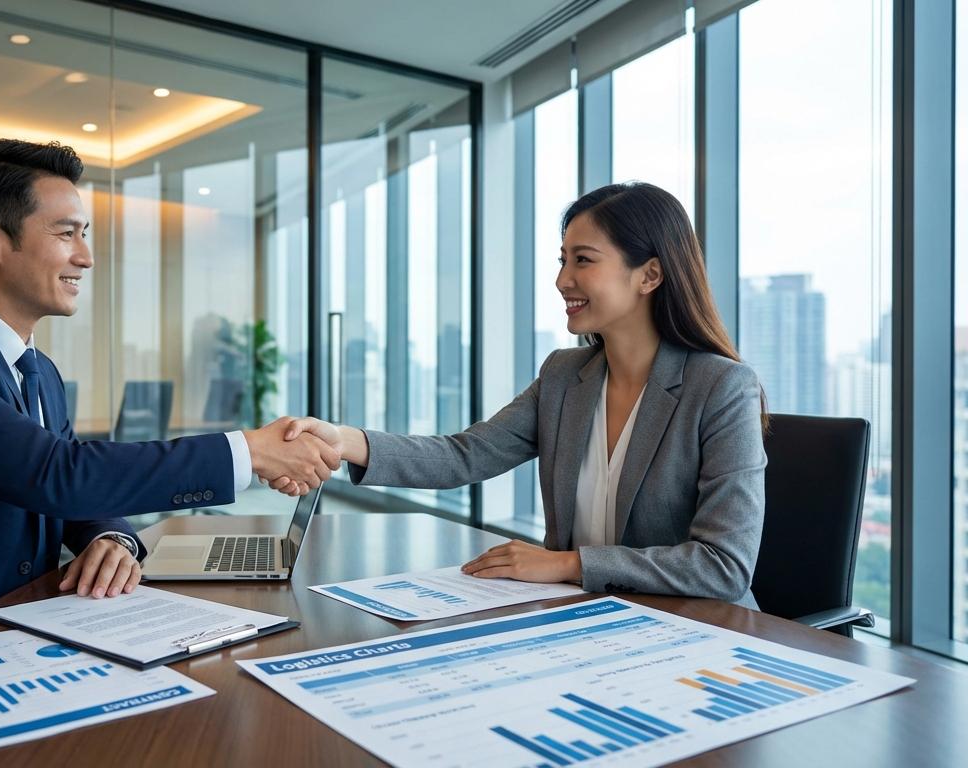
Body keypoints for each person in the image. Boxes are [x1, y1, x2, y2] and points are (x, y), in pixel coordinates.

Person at [0, 139, 338, 657]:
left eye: (84, 234)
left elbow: (72, 496)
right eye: (65, 233)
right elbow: (56, 474)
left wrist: (112, 539)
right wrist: (249, 452)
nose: (85, 257)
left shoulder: (38, 370)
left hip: (11, 627)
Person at [279, 182, 767, 606]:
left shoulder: (721, 387)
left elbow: (722, 566)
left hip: (696, 630)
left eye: (583, 261)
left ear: (650, 275)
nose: (562, 280)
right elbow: (464, 456)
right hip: (588, 620)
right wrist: (342, 441)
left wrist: (566, 564)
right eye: (562, 260)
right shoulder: (564, 376)